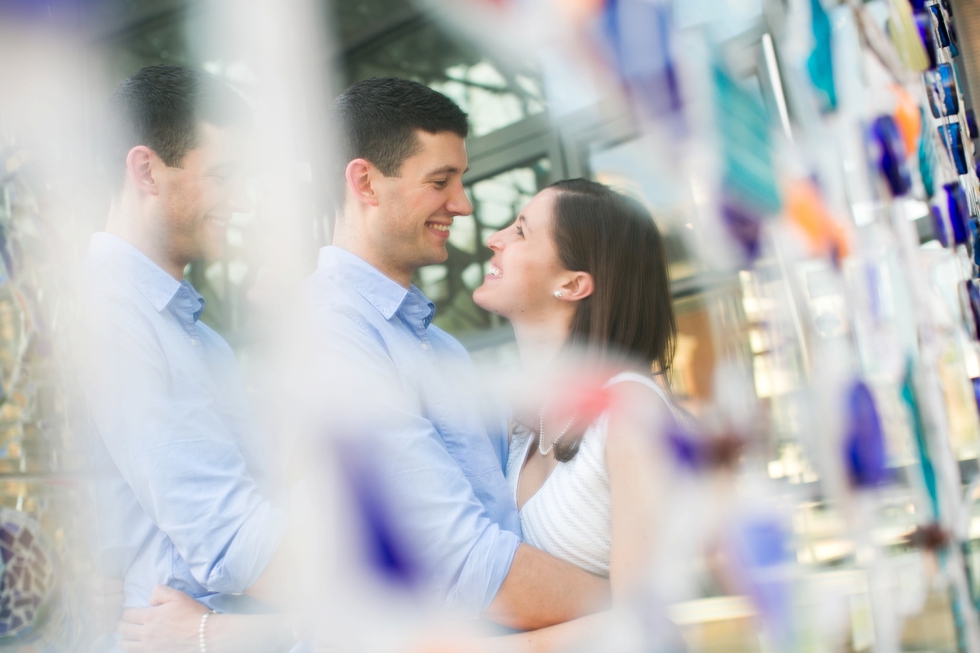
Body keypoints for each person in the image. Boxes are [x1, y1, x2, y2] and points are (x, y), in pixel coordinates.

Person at [117, 77, 611, 653]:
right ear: (364, 182)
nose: (463, 203)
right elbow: (455, 564)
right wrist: (623, 609)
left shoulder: (440, 348)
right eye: (440, 181)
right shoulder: (330, 334)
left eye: (462, 179)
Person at [78, 64, 296, 652]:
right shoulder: (107, 316)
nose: (243, 201)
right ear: (146, 170)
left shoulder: (200, 338)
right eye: (223, 176)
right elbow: (230, 539)